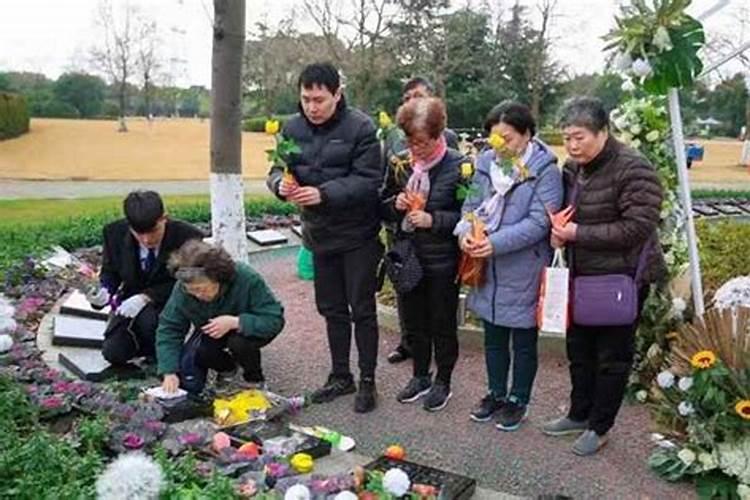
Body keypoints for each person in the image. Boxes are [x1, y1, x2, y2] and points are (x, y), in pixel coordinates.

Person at [541, 97, 665, 455]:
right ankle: (579, 413)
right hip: (580, 276)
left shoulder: (634, 169)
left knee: (612, 357)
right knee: (579, 351)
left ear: (603, 132)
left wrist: (577, 233)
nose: (572, 145)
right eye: (567, 138)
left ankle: (600, 425)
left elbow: (638, 227)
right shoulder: (573, 169)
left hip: (620, 280)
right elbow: (564, 214)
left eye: (579, 137)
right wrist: (558, 232)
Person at [266, 62, 383, 413]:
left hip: (358, 235)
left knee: (361, 309)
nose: (312, 107)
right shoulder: (292, 127)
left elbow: (369, 180)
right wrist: (279, 185)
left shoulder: (361, 127)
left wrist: (324, 193)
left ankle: (367, 380)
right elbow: (275, 169)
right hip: (320, 235)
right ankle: (340, 375)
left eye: (320, 100)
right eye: (306, 99)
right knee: (331, 309)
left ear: (337, 94)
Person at [458, 101, 563, 431]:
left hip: (524, 266)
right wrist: (464, 234)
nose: (501, 145)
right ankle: (495, 393)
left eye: (509, 138)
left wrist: (495, 243)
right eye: (495, 138)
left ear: (527, 134)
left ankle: (518, 399)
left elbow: (539, 223)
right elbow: (471, 206)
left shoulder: (545, 170)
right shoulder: (488, 162)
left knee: (522, 339)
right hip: (487, 265)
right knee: (493, 335)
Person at [381, 97, 466, 411]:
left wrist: (435, 220)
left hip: (443, 259)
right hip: (408, 256)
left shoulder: (460, 165)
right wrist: (396, 205)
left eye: (422, 143)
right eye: (410, 141)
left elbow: (472, 216)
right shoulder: (400, 163)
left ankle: (443, 380)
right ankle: (419, 375)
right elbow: (383, 202)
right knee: (414, 322)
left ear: (439, 133)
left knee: (442, 322)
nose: (415, 150)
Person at [87, 191, 204, 366]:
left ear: (164, 218)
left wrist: (146, 297)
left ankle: (162, 355)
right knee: (113, 352)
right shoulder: (113, 233)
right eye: (139, 233)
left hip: (171, 300)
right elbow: (110, 271)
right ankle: (144, 348)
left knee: (149, 321)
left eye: (152, 231)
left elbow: (189, 281)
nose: (147, 240)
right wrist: (104, 290)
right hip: (129, 300)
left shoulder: (187, 237)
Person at [157, 240, 285, 393]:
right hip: (210, 329)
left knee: (239, 344)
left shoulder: (247, 278)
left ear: (218, 278)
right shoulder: (183, 288)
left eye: (202, 289)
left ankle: (254, 379)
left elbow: (274, 319)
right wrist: (169, 371)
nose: (198, 295)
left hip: (248, 327)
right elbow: (170, 327)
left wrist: (236, 322)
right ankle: (227, 369)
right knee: (196, 365)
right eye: (192, 291)